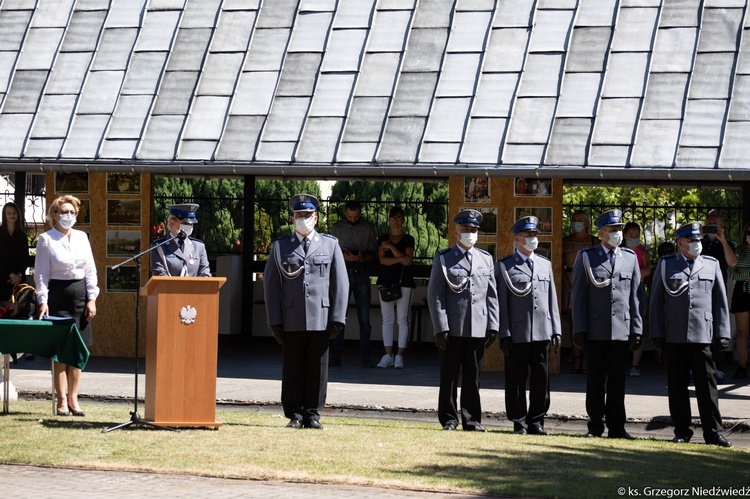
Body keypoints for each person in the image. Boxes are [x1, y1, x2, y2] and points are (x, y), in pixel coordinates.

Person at [263, 194, 349, 429]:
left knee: (317, 369)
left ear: (316, 217)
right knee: (292, 368)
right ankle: (294, 414)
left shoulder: (330, 244)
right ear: (292, 218)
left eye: (307, 215)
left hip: (321, 318)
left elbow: (340, 283)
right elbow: (270, 286)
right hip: (291, 318)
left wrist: (338, 317)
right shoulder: (281, 247)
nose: (303, 219)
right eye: (299, 215)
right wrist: (274, 321)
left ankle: (312, 413)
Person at [650, 222, 732, 447]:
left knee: (707, 387)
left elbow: (720, 303)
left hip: (703, 336)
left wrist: (723, 333)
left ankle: (713, 432)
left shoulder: (711, 264)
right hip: (674, 335)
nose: (698, 244)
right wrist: (656, 332)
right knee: (677, 387)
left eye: (699, 240)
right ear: (680, 243)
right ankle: (682, 430)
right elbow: (656, 301)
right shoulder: (667, 265)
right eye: (692, 241)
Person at [571, 209, 642, 440]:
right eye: (613, 230)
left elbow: (636, 297)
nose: (618, 233)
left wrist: (637, 328)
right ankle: (595, 426)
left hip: (621, 330)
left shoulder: (630, 258)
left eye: (619, 229)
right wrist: (579, 327)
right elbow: (578, 295)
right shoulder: (587, 256)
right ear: (602, 232)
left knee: (617, 382)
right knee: (595, 381)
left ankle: (617, 427)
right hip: (595, 329)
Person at [427, 209, 499, 432]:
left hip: (477, 327)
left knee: (472, 377)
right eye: (466, 230)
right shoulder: (444, 258)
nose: (470, 233)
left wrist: (493, 325)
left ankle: (472, 420)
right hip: (452, 327)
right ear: (456, 232)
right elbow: (435, 294)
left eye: (474, 230)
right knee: (448, 377)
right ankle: (449, 419)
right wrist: (440, 328)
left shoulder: (485, 259)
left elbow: (491, 294)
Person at [495, 216, 561, 435]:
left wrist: (556, 330)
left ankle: (536, 421)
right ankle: (519, 421)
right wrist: (503, 333)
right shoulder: (505, 265)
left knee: (541, 379)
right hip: (517, 332)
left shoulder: (545, 264)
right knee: (516, 379)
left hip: (542, 331)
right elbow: (501, 302)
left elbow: (552, 299)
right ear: (517, 238)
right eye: (528, 235)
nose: (533, 239)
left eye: (535, 235)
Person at [34, 195, 99, 417]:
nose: (68, 216)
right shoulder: (46, 239)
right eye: (64, 212)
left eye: (72, 212)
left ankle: (74, 399)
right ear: (54, 214)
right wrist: (43, 301)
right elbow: (41, 274)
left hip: (80, 298)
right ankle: (61, 400)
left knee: (78, 350)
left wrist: (92, 299)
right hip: (58, 298)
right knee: (61, 353)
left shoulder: (82, 237)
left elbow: (90, 270)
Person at [329, 200, 378, 367]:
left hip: (362, 274)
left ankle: (366, 358)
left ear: (360, 214)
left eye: (355, 217)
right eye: (349, 217)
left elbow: (374, 254)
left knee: (364, 319)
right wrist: (343, 255)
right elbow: (330, 252)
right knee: (339, 317)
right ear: (345, 213)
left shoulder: (368, 228)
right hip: (342, 275)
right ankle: (335, 356)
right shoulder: (337, 228)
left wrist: (362, 257)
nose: (352, 220)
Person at [375, 206, 416, 369]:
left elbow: (408, 261)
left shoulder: (409, 239)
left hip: (404, 282)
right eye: (393, 218)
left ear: (403, 220)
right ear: (389, 220)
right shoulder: (382, 238)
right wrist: (400, 257)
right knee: (387, 319)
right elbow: (382, 260)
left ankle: (399, 356)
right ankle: (387, 354)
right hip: (385, 281)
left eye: (399, 218)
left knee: (402, 319)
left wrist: (391, 248)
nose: (396, 221)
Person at [701, 211, 738, 383]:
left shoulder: (727, 243)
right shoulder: (698, 243)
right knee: (700, 331)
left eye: (716, 224)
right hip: (700, 291)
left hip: (718, 291)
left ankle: (719, 368)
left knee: (719, 330)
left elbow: (732, 262)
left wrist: (722, 239)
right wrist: (699, 236)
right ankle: (700, 368)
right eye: (709, 224)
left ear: (721, 226)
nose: (712, 227)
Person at [562, 210, 599, 374]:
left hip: (589, 282)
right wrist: (567, 284)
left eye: (580, 219)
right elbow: (559, 264)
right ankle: (576, 358)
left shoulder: (594, 241)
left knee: (588, 322)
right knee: (574, 322)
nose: (576, 222)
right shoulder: (565, 241)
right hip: (569, 280)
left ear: (586, 222)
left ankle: (587, 358)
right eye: (574, 219)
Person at [622, 222, 651, 377]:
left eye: (637, 235)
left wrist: (633, 273)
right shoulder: (619, 251)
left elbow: (647, 270)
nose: (634, 238)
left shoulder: (643, 253)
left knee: (638, 326)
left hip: (638, 289)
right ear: (624, 235)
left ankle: (635, 365)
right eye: (630, 235)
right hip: (621, 289)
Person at [150, 203, 211, 277]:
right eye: (185, 223)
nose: (189, 227)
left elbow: (205, 273)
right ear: (172, 223)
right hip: (169, 288)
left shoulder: (199, 247)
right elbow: (159, 273)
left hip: (195, 288)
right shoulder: (159, 247)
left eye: (191, 224)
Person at [728, 222, 750, 380]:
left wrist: (742, 271)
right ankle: (742, 366)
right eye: (748, 232)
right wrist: (744, 275)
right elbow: (731, 271)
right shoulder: (739, 250)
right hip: (742, 291)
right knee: (742, 332)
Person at [0, 202, 29, 304]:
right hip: (3, 278)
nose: (12, 215)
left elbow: (26, 258)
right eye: (9, 213)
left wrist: (19, 275)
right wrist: (11, 275)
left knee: (19, 310)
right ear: (4, 215)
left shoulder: (22, 235)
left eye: (14, 213)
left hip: (19, 280)